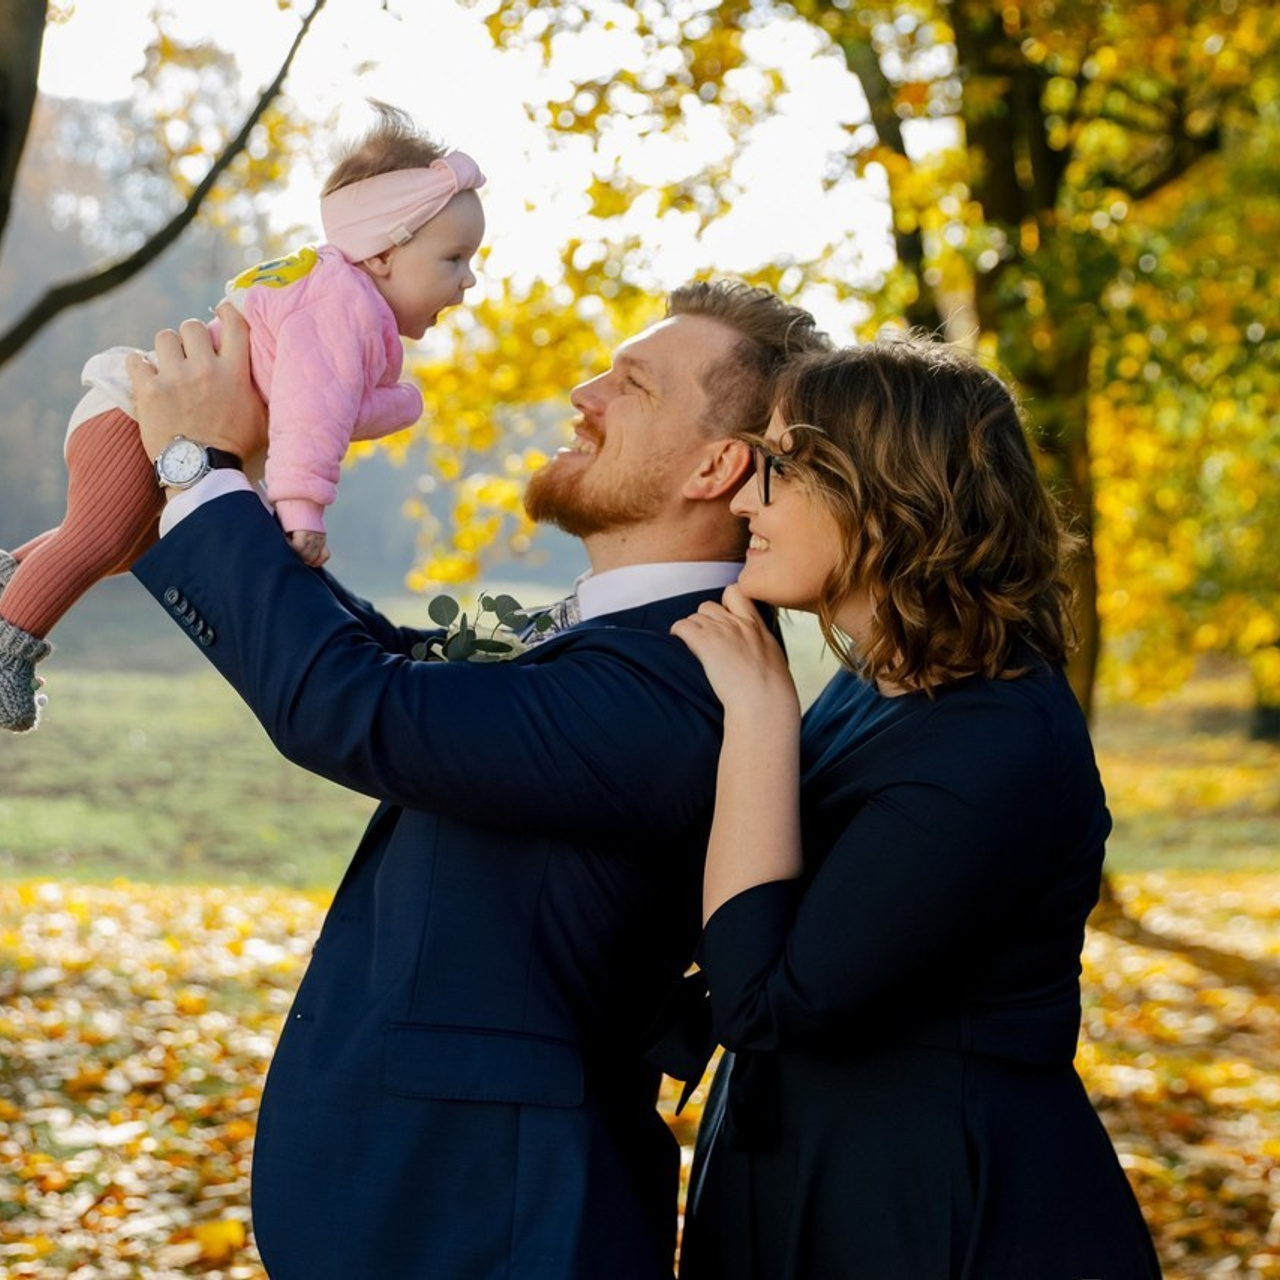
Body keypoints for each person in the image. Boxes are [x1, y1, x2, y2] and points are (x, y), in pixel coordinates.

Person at [121, 282, 830, 1277]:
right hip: (443, 1210)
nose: (584, 391)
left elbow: (358, 706)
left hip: (494, 1224)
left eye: (628, 383)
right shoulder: (635, 645)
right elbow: (387, 665)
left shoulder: (680, 688)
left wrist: (197, 471)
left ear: (717, 464)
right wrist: (215, 488)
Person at [669, 336, 1162, 1278]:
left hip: (930, 1207)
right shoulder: (881, 686)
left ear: (887, 492)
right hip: (805, 1170)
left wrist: (761, 721)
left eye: (779, 467)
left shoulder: (992, 742)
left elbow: (766, 1003)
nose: (742, 499)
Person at [0, 102, 485, 731]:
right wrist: (300, 508)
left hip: (152, 416)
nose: (469, 280)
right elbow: (310, 416)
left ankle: (10, 576)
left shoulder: (340, 297)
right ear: (386, 251)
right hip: (137, 416)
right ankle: (8, 648)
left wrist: (398, 403)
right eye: (454, 259)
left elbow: (323, 405)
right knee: (101, 540)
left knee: (114, 548)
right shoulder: (342, 306)